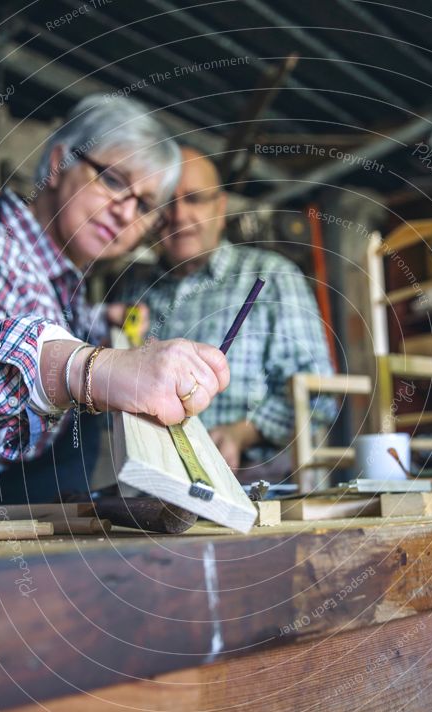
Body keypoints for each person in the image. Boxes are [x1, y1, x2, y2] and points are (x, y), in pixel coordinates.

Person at [0, 97, 229, 503]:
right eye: (114, 181)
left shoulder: (61, 275)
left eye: (144, 205)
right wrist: (95, 369)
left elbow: (36, 306)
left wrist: (104, 320)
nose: (124, 214)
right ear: (58, 164)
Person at [118, 146, 336, 478]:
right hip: (155, 490)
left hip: (262, 491)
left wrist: (242, 433)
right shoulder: (132, 288)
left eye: (193, 199)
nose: (178, 216)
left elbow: (320, 397)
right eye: (166, 202)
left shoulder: (273, 278)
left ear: (220, 209)